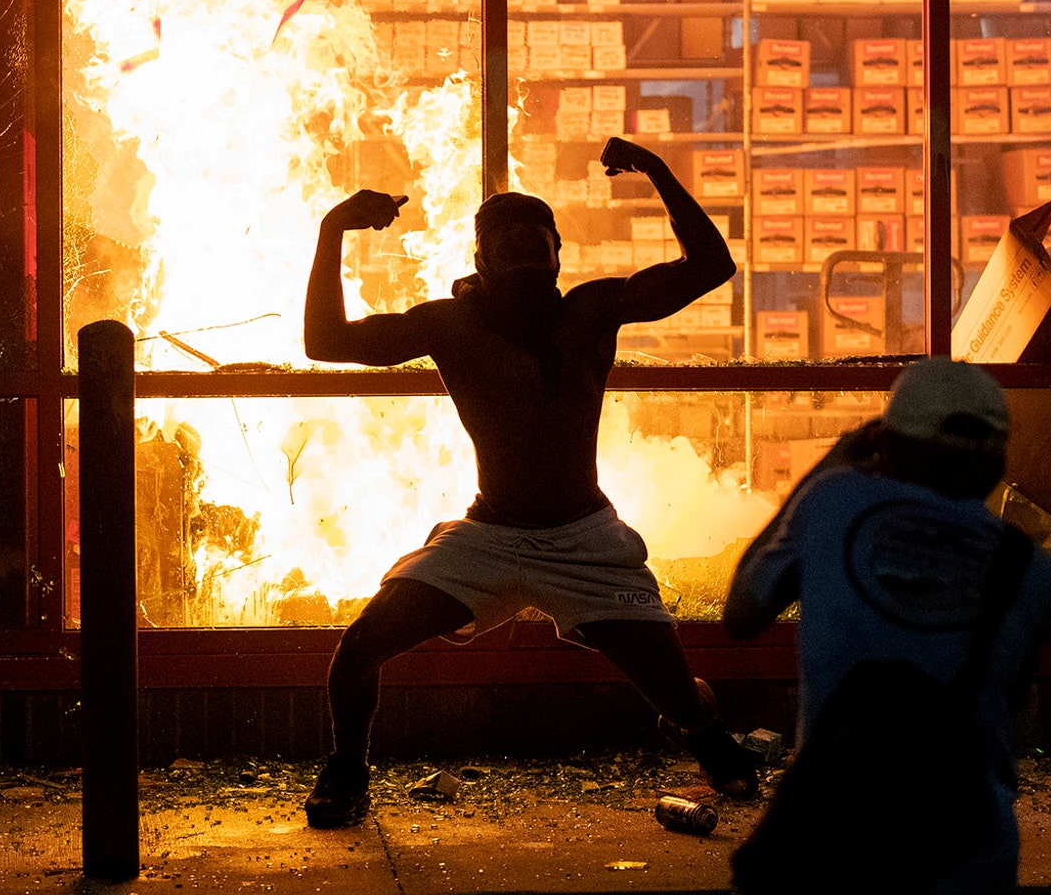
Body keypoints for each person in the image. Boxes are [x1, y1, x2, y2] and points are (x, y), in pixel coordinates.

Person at [298, 137, 760, 829]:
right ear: (480, 262)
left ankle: (701, 731)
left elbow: (711, 266)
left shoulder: (593, 310)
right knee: (360, 646)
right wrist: (333, 228)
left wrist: (659, 172)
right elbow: (325, 342)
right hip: (485, 539)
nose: (518, 250)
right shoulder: (448, 323)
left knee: (673, 687)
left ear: (556, 255)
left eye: (531, 240)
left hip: (590, 544)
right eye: (503, 243)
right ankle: (346, 769)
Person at [723, 357, 1051, 893]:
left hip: (834, 850)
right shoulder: (1035, 571)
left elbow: (741, 614)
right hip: (970, 856)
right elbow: (1008, 711)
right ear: (998, 462)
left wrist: (830, 465)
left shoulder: (834, 500)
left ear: (887, 441)